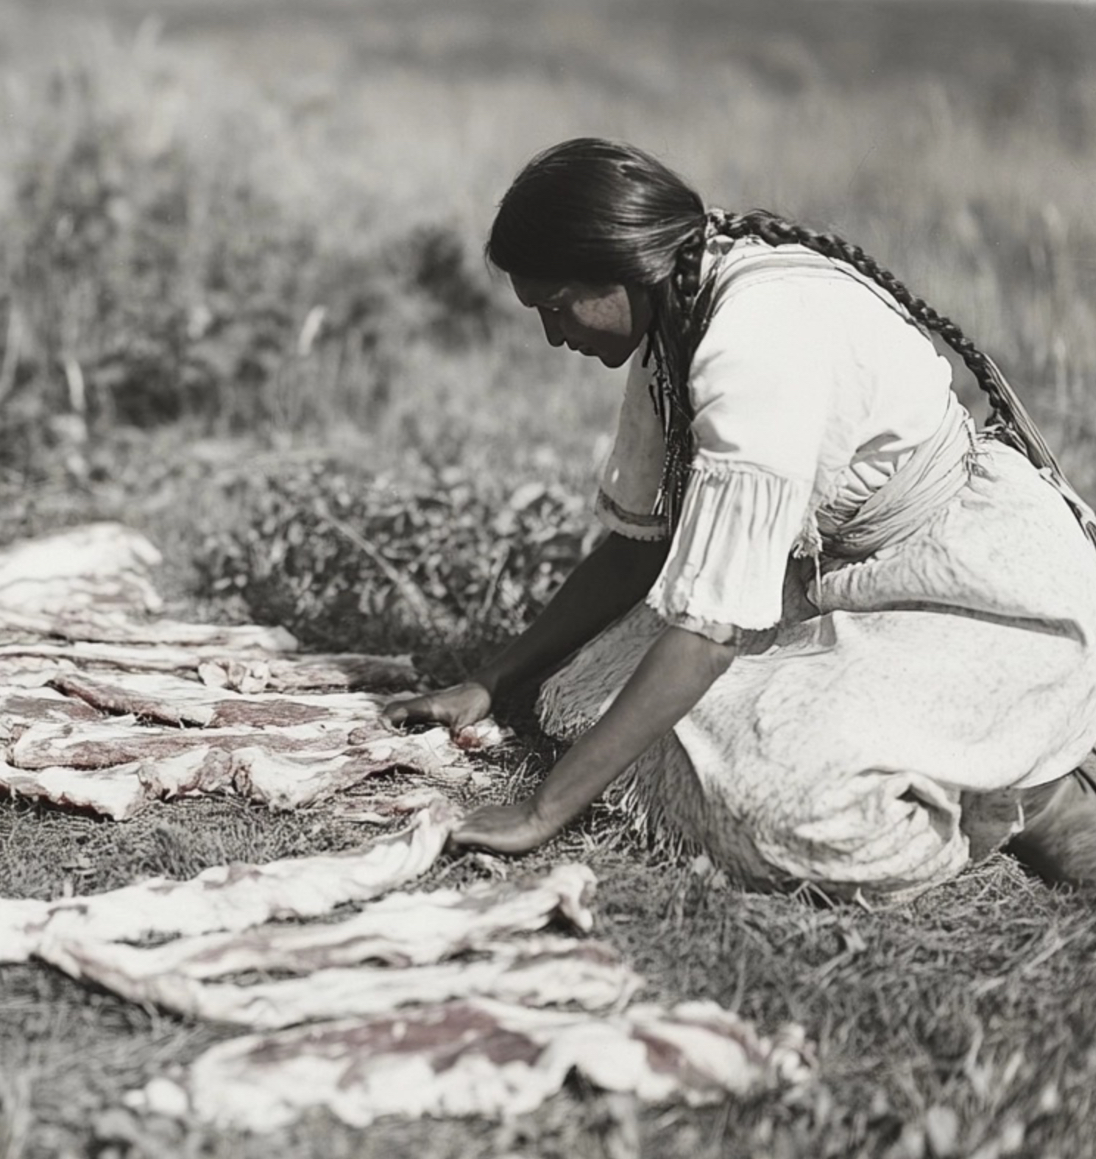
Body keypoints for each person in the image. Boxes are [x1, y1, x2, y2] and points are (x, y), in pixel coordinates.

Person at [385, 137, 1096, 898]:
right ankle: (953, 750)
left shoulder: (753, 343)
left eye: (557, 308)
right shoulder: (677, 303)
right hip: (826, 577)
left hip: (960, 585)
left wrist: (542, 809)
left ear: (622, 265)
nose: (554, 336)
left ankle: (1036, 787)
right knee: (574, 692)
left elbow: (709, 632)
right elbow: (636, 553)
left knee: (783, 808)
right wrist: (491, 680)